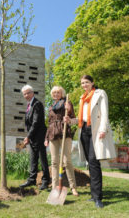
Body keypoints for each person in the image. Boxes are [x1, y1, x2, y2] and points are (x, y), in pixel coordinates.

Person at [64, 75, 116, 208]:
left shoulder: (100, 93)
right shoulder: (83, 98)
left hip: (96, 130)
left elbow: (104, 112)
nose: (84, 85)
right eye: (82, 83)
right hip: (84, 131)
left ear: (92, 82)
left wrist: (103, 129)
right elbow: (82, 119)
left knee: (94, 161)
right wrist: (70, 120)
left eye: (86, 82)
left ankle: (98, 197)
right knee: (90, 163)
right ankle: (94, 196)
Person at [44, 86, 78, 196]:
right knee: (54, 162)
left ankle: (73, 187)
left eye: (58, 92)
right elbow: (49, 124)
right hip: (53, 135)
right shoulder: (50, 107)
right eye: (54, 92)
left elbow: (74, 118)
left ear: (62, 93)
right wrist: (46, 138)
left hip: (64, 134)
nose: (56, 94)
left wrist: (70, 110)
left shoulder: (67, 103)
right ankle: (55, 187)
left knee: (67, 161)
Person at [19, 84, 50, 190]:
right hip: (32, 137)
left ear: (32, 93)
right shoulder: (29, 105)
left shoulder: (37, 104)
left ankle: (45, 181)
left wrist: (28, 136)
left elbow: (36, 122)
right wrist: (29, 136)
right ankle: (32, 180)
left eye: (28, 93)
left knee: (42, 159)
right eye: (24, 94)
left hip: (40, 136)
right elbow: (29, 123)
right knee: (33, 159)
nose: (26, 95)